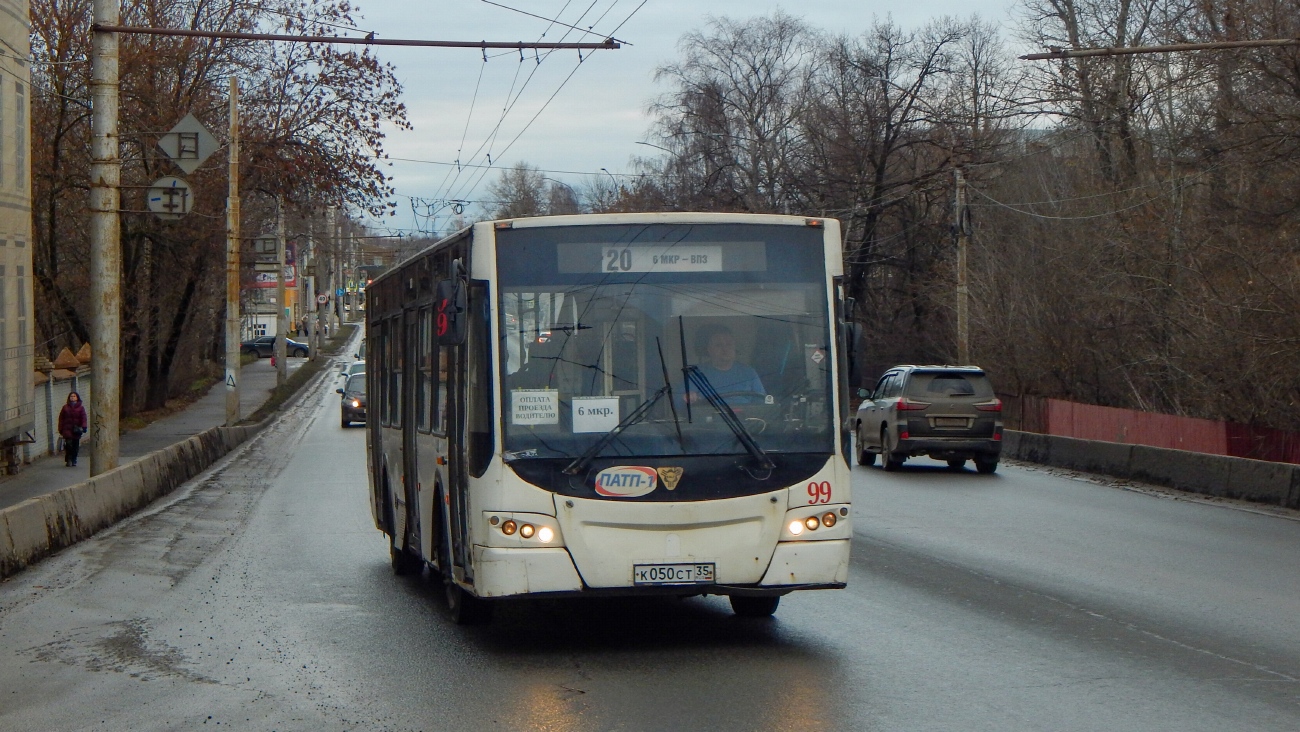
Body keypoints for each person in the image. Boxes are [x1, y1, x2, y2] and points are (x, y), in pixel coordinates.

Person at [689, 324, 765, 403]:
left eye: (729, 344)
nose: (725, 349)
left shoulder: (749, 373)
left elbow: (762, 404)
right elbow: (679, 402)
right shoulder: (696, 373)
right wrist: (689, 397)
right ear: (709, 349)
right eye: (718, 345)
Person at [58, 391, 88, 467]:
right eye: (71, 396)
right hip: (67, 429)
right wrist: (60, 428)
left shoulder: (81, 408)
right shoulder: (65, 407)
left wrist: (84, 426)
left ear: (77, 398)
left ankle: (74, 459)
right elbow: (61, 418)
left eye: (74, 396)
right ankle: (68, 459)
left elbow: (83, 418)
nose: (72, 397)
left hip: (76, 429)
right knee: (68, 444)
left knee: (75, 445)